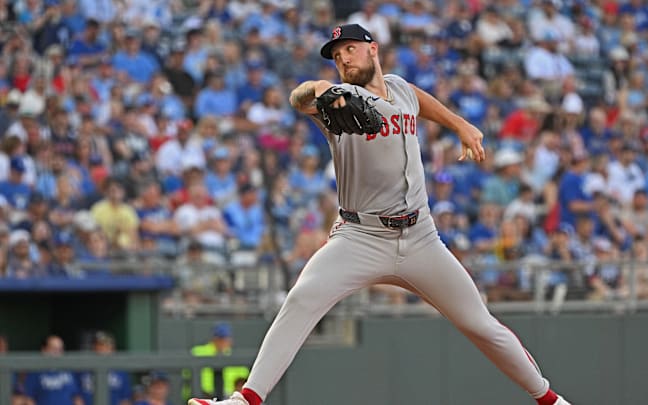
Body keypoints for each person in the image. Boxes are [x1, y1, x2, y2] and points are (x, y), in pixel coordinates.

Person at [188, 24, 570, 405]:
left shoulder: (399, 88)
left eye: (349, 49)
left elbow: (418, 99)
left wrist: (460, 125)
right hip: (360, 237)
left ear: (372, 49)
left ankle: (550, 400)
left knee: (481, 325)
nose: (342, 59)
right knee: (302, 299)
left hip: (420, 238)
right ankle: (245, 401)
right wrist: (323, 91)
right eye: (336, 56)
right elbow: (299, 98)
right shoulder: (338, 99)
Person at [189, 323, 250, 399]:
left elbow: (242, 383)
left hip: (229, 398)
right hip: (204, 396)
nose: (222, 342)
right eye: (220, 339)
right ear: (214, 339)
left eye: (225, 339)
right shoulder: (198, 352)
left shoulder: (235, 357)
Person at [24, 335, 84, 405]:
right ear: (44, 350)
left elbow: (76, 397)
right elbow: (29, 399)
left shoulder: (69, 370)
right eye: (54, 348)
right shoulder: (35, 371)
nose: (57, 352)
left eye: (60, 349)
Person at [77, 332, 132, 405]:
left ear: (113, 350)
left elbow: (125, 400)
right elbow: (77, 398)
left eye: (107, 347)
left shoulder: (121, 372)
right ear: (94, 348)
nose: (104, 350)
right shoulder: (83, 370)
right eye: (101, 346)